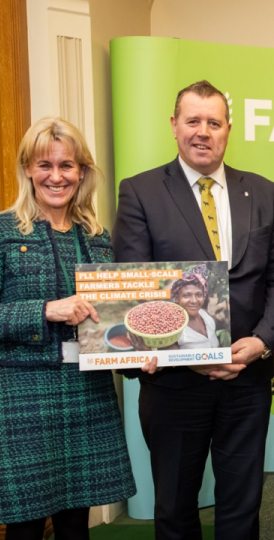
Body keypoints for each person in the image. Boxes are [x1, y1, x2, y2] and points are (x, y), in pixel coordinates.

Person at [112, 80, 274, 540]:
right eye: (193, 121)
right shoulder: (141, 192)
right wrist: (190, 356)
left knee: (241, 507)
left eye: (214, 122)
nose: (203, 132)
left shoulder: (265, 193)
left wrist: (262, 341)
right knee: (174, 508)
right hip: (173, 384)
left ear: (228, 129)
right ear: (174, 126)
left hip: (246, 380)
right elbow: (134, 285)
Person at [0, 117, 135, 539]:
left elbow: (114, 319)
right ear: (26, 168)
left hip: (86, 391)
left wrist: (144, 354)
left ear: (82, 172)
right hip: (22, 397)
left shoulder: (97, 237)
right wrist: (46, 310)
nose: (56, 177)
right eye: (45, 165)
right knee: (24, 523)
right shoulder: (4, 231)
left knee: (77, 522)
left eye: (67, 166)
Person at [171, 264, 220, 349]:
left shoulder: (205, 315)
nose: (194, 301)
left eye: (199, 295)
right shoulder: (173, 328)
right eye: (186, 296)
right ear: (176, 298)